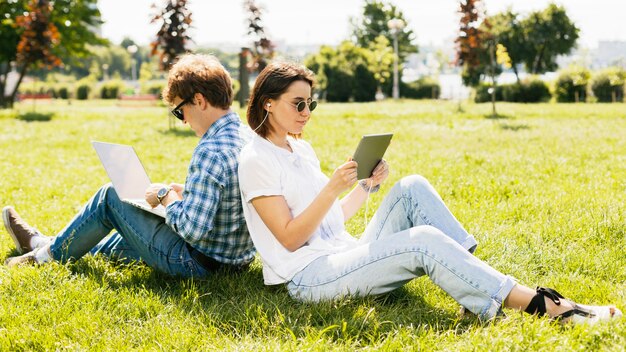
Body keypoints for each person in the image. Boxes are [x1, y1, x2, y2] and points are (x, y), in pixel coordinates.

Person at [237, 61, 622, 324]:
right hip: (310, 276)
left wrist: (366, 188)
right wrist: (333, 187)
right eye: (298, 103)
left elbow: (330, 222)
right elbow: (289, 238)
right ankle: (544, 306)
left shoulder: (298, 147)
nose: (306, 112)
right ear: (268, 103)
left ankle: (473, 291)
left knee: (410, 186)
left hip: (339, 250)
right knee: (422, 241)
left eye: (311, 103)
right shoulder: (257, 159)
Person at [3, 54, 255, 277]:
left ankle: (41, 258)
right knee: (118, 243)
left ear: (199, 100)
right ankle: (41, 243)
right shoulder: (247, 138)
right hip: (234, 260)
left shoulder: (210, 150)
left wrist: (165, 196)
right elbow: (227, 204)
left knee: (110, 196)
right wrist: (188, 193)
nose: (183, 121)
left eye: (180, 111)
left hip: (196, 263)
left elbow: (194, 230)